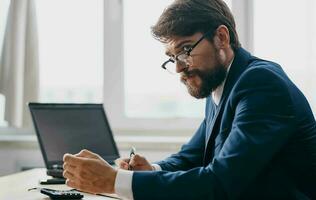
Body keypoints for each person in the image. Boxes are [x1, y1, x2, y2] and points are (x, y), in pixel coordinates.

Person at [63, 0, 316, 199]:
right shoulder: (221, 82)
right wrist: (150, 171)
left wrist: (113, 181)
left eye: (185, 50)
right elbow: (190, 157)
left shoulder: (260, 84)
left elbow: (219, 183)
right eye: (172, 57)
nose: (179, 68)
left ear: (222, 37)